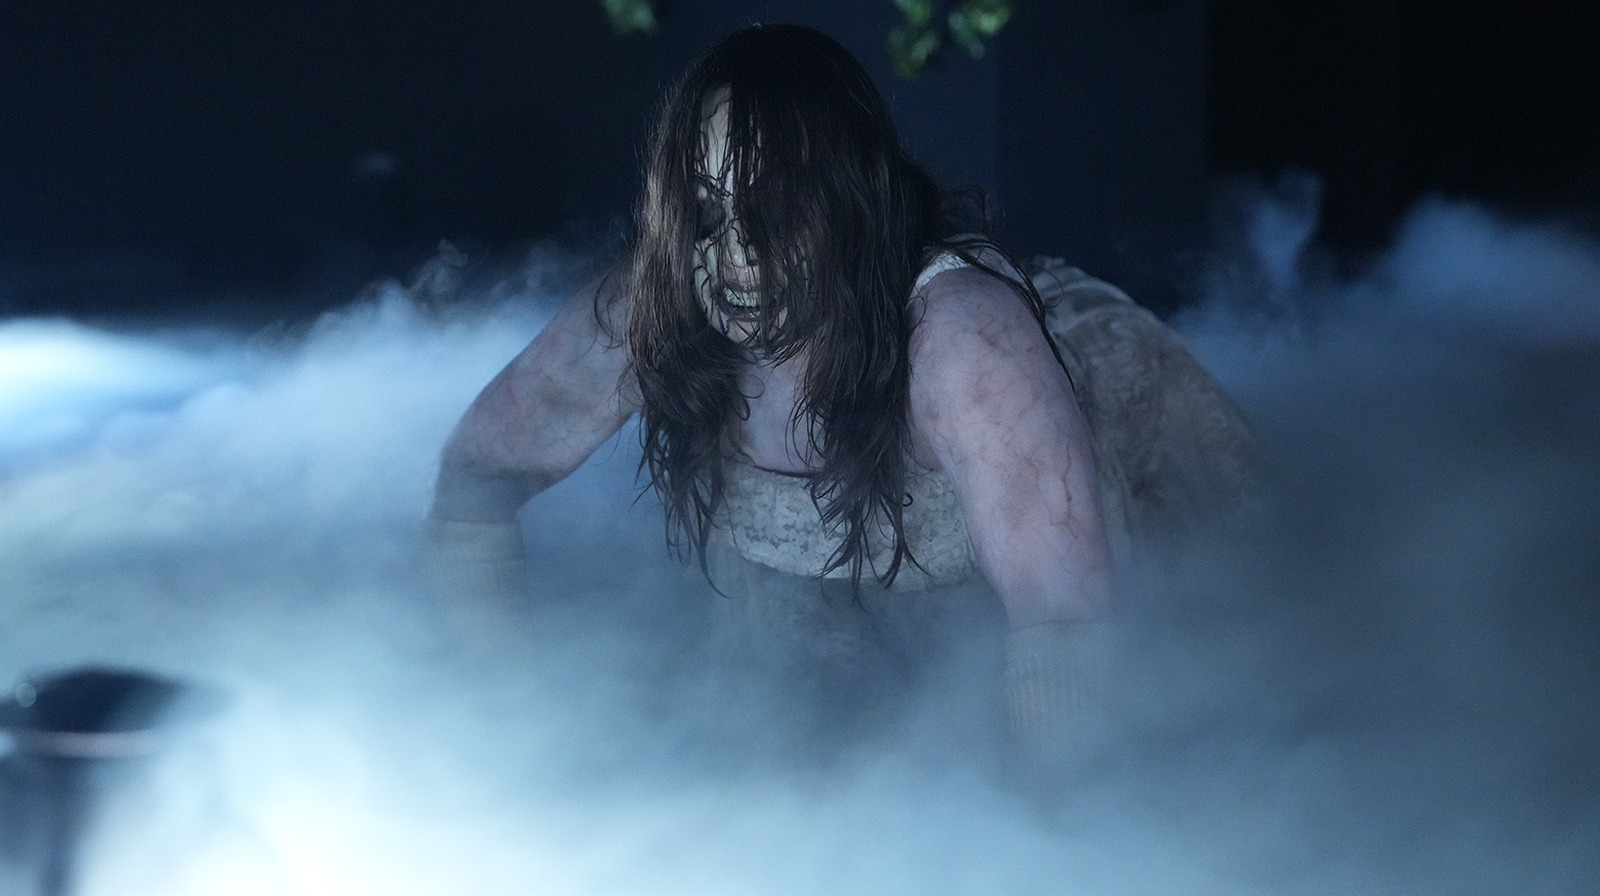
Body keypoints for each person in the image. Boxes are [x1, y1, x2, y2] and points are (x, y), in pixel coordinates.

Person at [425, 24, 1252, 755]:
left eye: (778, 208)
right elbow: (472, 487)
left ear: (849, 204)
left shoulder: (965, 346)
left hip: (1100, 455)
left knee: (1219, 683)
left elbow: (1066, 629)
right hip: (842, 594)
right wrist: (502, 730)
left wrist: (1052, 842)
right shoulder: (654, 307)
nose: (737, 254)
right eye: (707, 209)